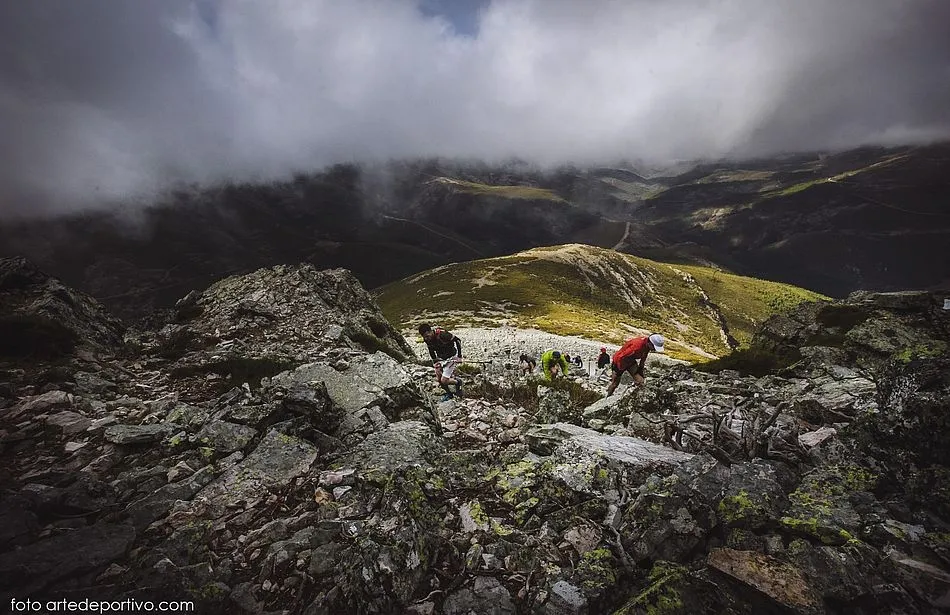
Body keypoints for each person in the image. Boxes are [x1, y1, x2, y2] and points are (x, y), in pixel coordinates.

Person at [418, 323, 464, 401]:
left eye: (427, 336)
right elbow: (431, 350)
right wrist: (435, 362)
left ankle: (457, 382)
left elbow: (457, 340)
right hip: (441, 358)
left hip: (452, 357)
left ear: (430, 331)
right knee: (439, 379)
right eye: (424, 337)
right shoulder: (427, 339)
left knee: (444, 380)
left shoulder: (443, 334)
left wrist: (459, 356)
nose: (426, 338)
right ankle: (449, 394)